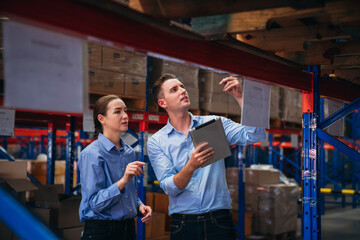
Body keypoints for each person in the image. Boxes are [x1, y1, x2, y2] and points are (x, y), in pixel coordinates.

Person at [147, 74, 266, 240]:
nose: (182, 91)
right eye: (174, 90)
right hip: (183, 225)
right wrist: (191, 166)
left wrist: (240, 97)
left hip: (220, 221)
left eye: (182, 86)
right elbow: (169, 187)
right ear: (162, 103)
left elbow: (256, 135)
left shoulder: (213, 125)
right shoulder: (157, 142)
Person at [78, 95, 152, 240]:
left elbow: (128, 193)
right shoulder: (92, 154)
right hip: (102, 231)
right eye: (117, 112)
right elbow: (95, 203)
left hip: (127, 228)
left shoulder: (129, 152)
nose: (125, 116)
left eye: (125, 111)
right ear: (102, 119)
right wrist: (124, 180)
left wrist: (139, 205)